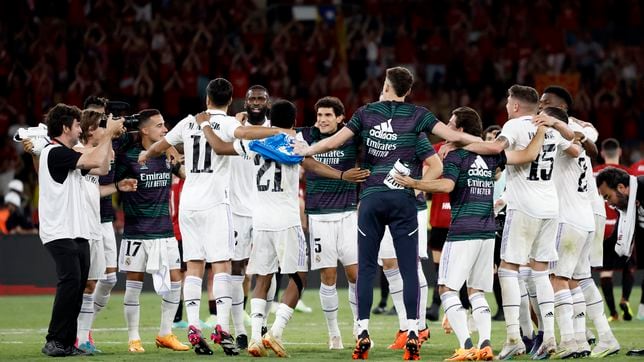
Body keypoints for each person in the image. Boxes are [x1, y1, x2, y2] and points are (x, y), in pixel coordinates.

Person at [296, 66, 480, 360]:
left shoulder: (365, 114)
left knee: (367, 268)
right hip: (403, 199)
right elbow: (455, 137)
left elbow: (332, 142)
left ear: (385, 85)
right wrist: (495, 145)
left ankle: (363, 330)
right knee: (409, 269)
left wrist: (302, 152)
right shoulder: (418, 119)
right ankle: (412, 331)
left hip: (370, 198)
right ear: (407, 90)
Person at [199, 99, 368, 357]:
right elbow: (310, 163)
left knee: (262, 278)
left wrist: (205, 126)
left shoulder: (252, 143)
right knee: (299, 276)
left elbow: (220, 148)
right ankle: (275, 331)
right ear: (293, 121)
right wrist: (342, 175)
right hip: (287, 221)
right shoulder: (293, 141)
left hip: (261, 222)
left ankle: (255, 336)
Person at [140, 78, 289, 356]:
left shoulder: (187, 122)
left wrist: (146, 154)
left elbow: (162, 144)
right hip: (216, 203)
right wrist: (280, 130)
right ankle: (221, 326)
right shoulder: (230, 124)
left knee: (194, 266)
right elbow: (249, 133)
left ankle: (194, 326)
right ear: (231, 100)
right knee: (221, 264)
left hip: (188, 203)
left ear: (207, 98)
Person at [396, 106, 545, 361]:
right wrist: (542, 129)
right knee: (476, 291)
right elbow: (529, 154)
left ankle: (466, 346)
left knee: (446, 289)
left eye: (451, 125)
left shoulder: (457, 157)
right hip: (487, 232)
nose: (447, 129)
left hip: (463, 230)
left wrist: (415, 184)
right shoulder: (491, 157)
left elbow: (447, 185)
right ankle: (485, 344)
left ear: (461, 131)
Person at [463, 85, 580, 359]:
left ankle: (514, 336)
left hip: (524, 205)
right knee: (540, 272)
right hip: (550, 206)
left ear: (515, 106)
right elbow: (574, 145)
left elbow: (496, 147)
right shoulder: (546, 124)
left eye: (507, 101)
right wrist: (555, 125)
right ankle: (549, 337)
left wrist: (461, 142)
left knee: (508, 268)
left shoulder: (513, 126)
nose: (506, 105)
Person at [539, 85, 620, 357]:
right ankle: (598, 338)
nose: (539, 109)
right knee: (579, 279)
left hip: (568, 217)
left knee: (557, 278)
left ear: (559, 108)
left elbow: (582, 146)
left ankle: (571, 342)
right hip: (585, 217)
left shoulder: (566, 131)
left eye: (544, 104)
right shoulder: (575, 138)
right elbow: (589, 149)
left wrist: (554, 127)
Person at [38, 103, 122, 357]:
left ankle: (67, 341)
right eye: (76, 125)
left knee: (77, 285)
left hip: (77, 230)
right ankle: (54, 340)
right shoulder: (55, 152)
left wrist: (108, 137)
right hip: (59, 231)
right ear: (65, 128)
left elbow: (102, 168)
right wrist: (107, 134)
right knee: (70, 282)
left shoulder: (67, 154)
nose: (79, 129)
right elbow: (95, 159)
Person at [115, 109, 189, 353]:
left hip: (165, 232)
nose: (165, 130)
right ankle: (134, 338)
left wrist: (176, 157)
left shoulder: (167, 154)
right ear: (145, 130)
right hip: (136, 232)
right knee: (133, 285)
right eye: (159, 126)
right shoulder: (128, 156)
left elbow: (186, 175)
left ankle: (165, 333)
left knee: (176, 281)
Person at [300, 96, 362, 349]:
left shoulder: (352, 138)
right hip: (319, 215)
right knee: (328, 276)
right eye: (319, 115)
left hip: (348, 214)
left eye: (328, 115)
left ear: (340, 118)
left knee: (355, 274)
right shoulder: (306, 136)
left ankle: (361, 327)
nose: (322, 120)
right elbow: (306, 161)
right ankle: (333, 333)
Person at [378, 133, 441, 350]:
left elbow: (436, 165)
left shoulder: (413, 131)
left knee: (411, 265)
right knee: (388, 263)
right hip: (383, 208)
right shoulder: (374, 133)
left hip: (412, 209)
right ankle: (405, 327)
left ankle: (419, 328)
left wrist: (413, 191)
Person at [593, 138, 635, 322]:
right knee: (629, 266)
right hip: (622, 227)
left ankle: (613, 313)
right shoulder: (628, 175)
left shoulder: (594, 174)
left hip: (600, 227)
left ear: (602, 153)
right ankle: (625, 299)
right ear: (619, 152)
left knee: (605, 272)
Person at [596, 167, 644, 323]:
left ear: (621, 188)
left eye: (608, 197)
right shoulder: (625, 208)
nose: (609, 203)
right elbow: (615, 240)